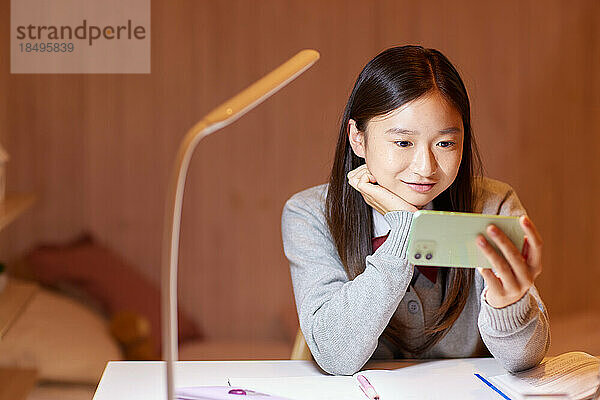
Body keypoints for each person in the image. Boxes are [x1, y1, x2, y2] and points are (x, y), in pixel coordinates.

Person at [281, 45, 549, 376]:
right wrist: (405, 227)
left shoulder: (493, 205)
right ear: (358, 139)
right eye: (404, 143)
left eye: (446, 143)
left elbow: (525, 360)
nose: (425, 168)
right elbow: (335, 355)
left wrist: (508, 304)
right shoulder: (310, 214)